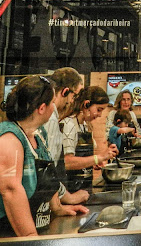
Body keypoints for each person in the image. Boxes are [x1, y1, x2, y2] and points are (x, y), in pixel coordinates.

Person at [0, 76, 88, 241]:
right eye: (52, 102)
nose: (54, 107)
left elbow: (46, 177)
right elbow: (11, 191)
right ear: (42, 108)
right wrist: (31, 238)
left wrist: (57, 207)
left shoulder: (39, 135)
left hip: (8, 234)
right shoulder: (8, 138)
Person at [41, 67, 88, 205]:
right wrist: (68, 198)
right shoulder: (50, 119)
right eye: (74, 96)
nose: (73, 101)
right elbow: (46, 170)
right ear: (65, 91)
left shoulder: (51, 117)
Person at [62, 86, 118, 193]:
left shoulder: (84, 125)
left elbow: (79, 157)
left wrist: (91, 162)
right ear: (86, 104)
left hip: (83, 187)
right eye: (98, 110)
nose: (100, 115)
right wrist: (99, 157)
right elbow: (67, 162)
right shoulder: (69, 125)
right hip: (71, 190)